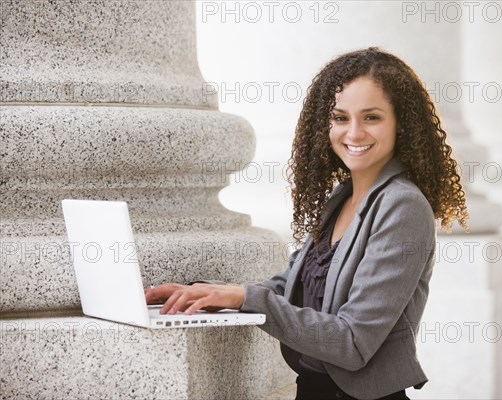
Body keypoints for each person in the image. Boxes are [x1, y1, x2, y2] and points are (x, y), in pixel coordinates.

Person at [145, 47, 469, 400]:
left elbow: (352, 342)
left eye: (372, 117)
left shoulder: (402, 206)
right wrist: (210, 294)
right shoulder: (340, 199)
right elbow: (292, 287)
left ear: (401, 124)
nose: (354, 133)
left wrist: (246, 299)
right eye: (340, 117)